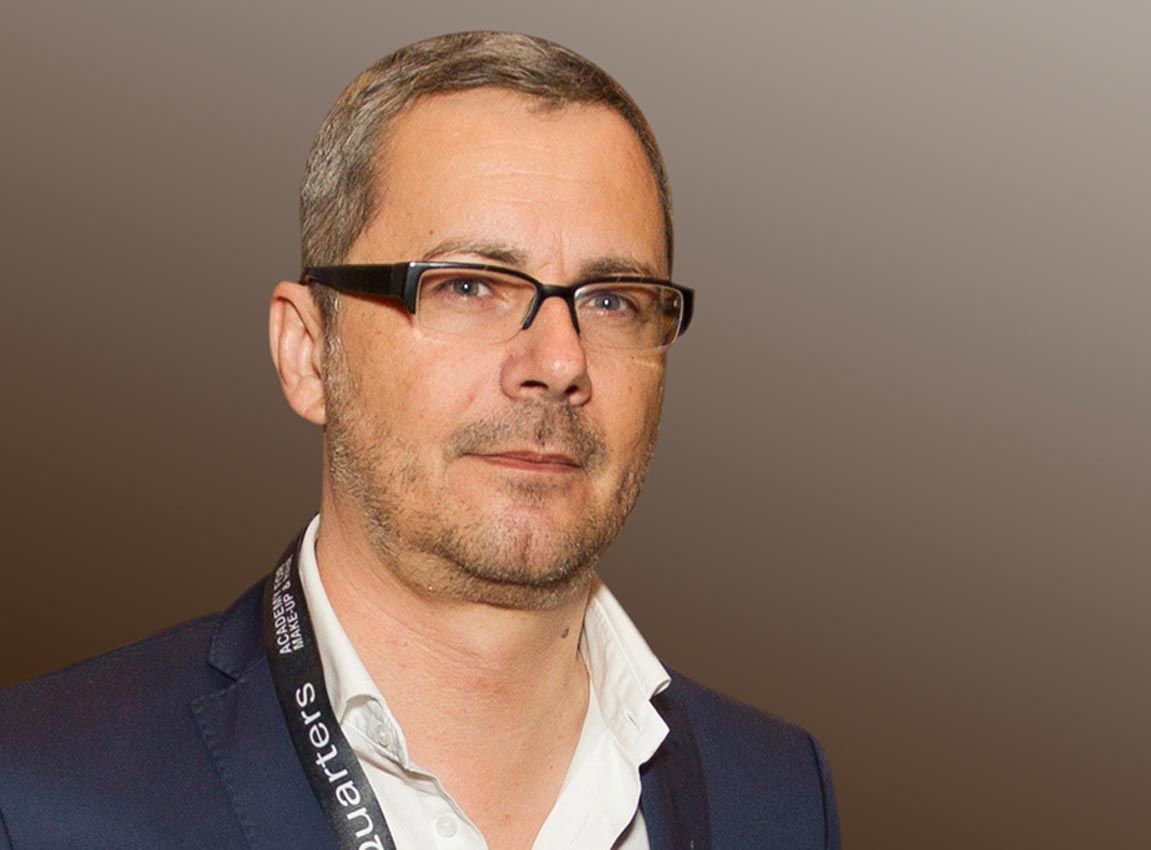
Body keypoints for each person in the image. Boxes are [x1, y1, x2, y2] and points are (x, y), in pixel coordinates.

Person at [0, 31, 840, 850]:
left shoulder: (776, 795)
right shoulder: (42, 792)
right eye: (467, 285)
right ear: (308, 352)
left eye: (613, 300)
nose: (559, 361)